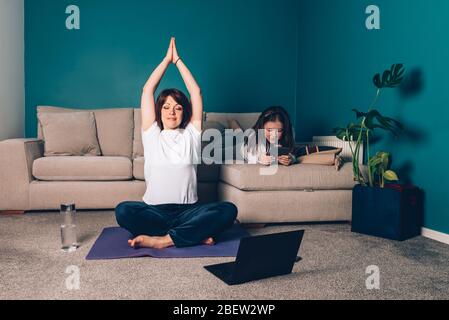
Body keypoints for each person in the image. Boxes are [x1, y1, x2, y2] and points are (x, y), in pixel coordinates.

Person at [115, 37, 237, 249]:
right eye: (166, 107)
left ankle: (164, 240)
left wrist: (178, 60)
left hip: (188, 212)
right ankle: (191, 235)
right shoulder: (151, 133)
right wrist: (166, 60)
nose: (172, 111)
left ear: (184, 113)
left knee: (228, 210)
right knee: (123, 210)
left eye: (178, 107)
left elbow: (196, 92)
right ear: (159, 112)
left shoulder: (192, 134)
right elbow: (147, 90)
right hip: (154, 211)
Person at [242, 106, 343, 170]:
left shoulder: (290, 132)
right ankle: (232, 122)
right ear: (261, 127)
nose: (274, 135)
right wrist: (260, 158)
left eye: (279, 131)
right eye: (269, 130)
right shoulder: (253, 136)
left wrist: (291, 158)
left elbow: (292, 151)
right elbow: (249, 157)